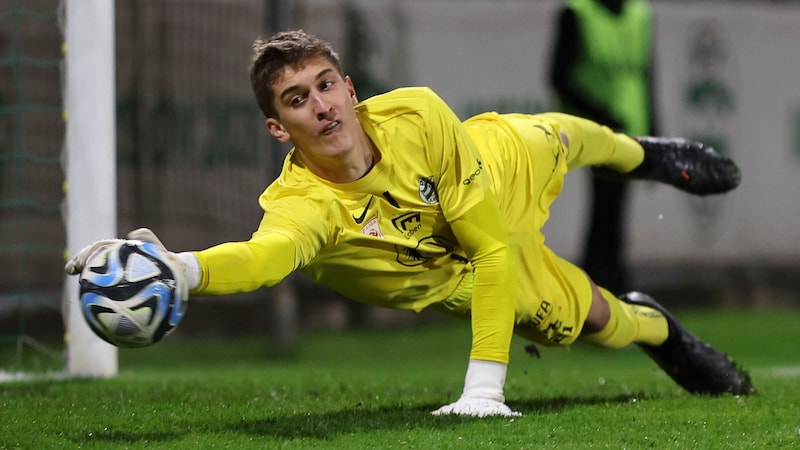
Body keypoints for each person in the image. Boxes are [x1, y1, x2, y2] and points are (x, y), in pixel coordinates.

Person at [65, 30, 754, 418]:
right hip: (456, 273)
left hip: (485, 184)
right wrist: (184, 270)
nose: (323, 108)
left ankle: (652, 156)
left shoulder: (418, 115)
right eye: (298, 100)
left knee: (555, 136)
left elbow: (489, 244)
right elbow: (265, 257)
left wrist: (482, 390)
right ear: (279, 128)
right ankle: (666, 334)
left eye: (328, 85)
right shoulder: (303, 206)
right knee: (598, 321)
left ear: (351, 89)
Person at [549, 0, 657, 294]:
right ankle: (604, 284)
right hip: (593, 133)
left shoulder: (639, 15)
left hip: (631, 132)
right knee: (606, 213)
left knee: (611, 212)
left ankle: (601, 284)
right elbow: (559, 77)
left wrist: (654, 131)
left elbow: (647, 75)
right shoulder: (577, 13)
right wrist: (600, 115)